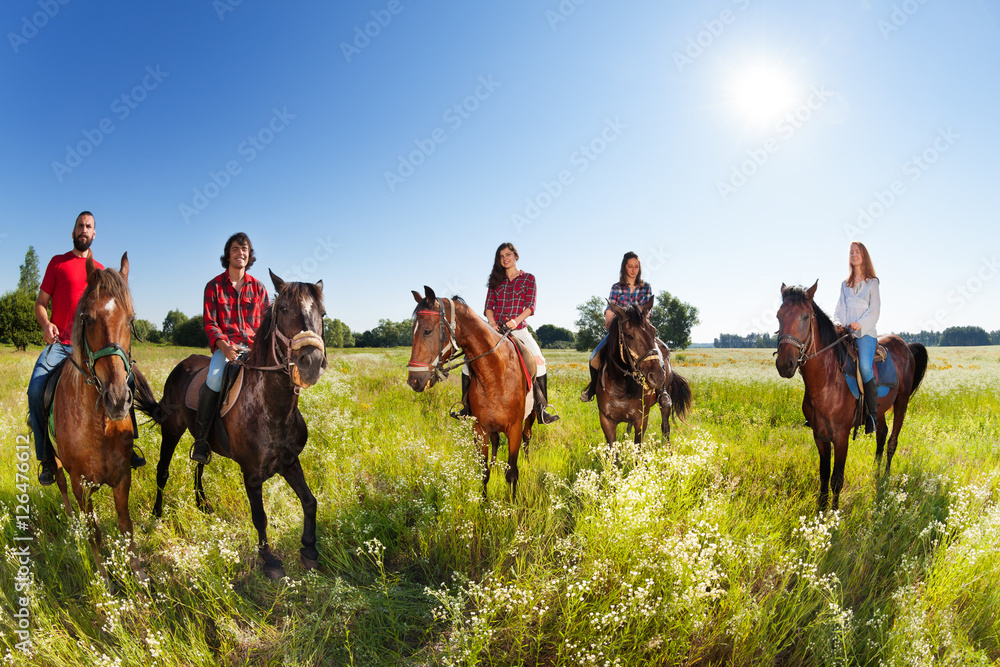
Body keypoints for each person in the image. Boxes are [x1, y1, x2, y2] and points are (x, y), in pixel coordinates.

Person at [27, 211, 145, 485]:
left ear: (94, 234)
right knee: (35, 389)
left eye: (88, 226)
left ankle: (130, 446)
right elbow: (40, 304)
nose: (84, 230)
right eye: (80, 225)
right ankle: (46, 457)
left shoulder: (102, 273)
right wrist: (46, 325)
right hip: (61, 345)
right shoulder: (58, 263)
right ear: (73, 232)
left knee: (127, 382)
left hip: (94, 349)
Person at [451, 242, 559, 424]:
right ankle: (466, 407)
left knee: (540, 362)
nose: (505, 258)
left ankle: (541, 409)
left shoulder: (528, 279)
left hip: (519, 330)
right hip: (495, 332)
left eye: (508, 254)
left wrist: (515, 321)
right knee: (466, 363)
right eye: (501, 256)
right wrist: (492, 324)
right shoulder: (495, 281)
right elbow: (488, 307)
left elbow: (530, 306)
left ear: (516, 256)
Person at [190, 232, 270, 464]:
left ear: (249, 255)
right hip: (226, 349)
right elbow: (210, 323)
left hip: (255, 351)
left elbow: (266, 325)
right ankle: (202, 440)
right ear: (228, 254)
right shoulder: (213, 286)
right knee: (214, 379)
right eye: (235, 249)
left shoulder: (260, 288)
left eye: (244, 249)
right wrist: (224, 347)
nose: (240, 253)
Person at [580, 251, 654, 402]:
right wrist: (609, 319)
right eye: (630, 266)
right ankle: (593, 388)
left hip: (641, 331)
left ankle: (663, 392)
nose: (633, 270)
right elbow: (610, 309)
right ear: (624, 267)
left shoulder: (646, 286)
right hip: (620, 330)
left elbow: (647, 311)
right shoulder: (616, 287)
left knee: (660, 355)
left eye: (636, 266)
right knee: (594, 356)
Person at [834, 241, 881, 434]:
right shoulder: (845, 285)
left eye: (857, 252)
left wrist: (859, 325)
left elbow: (875, 310)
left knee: (864, 366)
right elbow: (839, 309)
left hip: (865, 334)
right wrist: (838, 323)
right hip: (845, 334)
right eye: (851, 252)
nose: (854, 255)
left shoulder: (872, 283)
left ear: (864, 256)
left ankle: (872, 415)